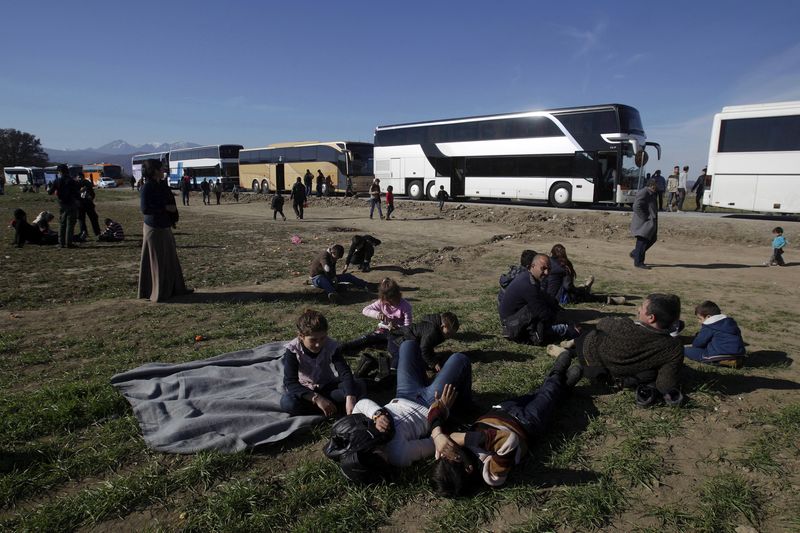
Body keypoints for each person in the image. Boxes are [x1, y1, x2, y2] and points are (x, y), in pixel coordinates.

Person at [432, 352, 581, 496]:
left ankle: (562, 388)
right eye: (452, 456)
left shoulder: (447, 449)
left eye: (443, 456)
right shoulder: (491, 474)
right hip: (525, 423)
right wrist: (465, 438)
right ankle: (557, 373)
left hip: (501, 410)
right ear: (468, 468)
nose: (447, 451)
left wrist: (440, 414)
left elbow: (433, 418)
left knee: (537, 395)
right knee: (548, 394)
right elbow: (509, 441)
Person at [575, 293, 684, 399]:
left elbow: (602, 323)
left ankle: (576, 355)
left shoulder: (625, 326)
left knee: (587, 336)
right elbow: (665, 385)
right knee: (651, 373)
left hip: (599, 360)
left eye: (642, 307)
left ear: (651, 318)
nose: (639, 309)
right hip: (627, 373)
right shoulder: (673, 347)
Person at [280, 309, 365, 417]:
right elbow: (290, 382)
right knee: (288, 403)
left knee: (357, 386)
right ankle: (330, 407)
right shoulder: (293, 350)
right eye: (313, 340)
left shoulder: (330, 345)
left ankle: (328, 407)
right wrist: (317, 399)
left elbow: (344, 372)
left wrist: (350, 397)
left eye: (322, 338)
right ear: (301, 336)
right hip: (305, 391)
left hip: (327, 386)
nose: (318, 344)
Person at [137, 159, 191, 302]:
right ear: (154, 171)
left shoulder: (161, 185)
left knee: (170, 259)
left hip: (164, 225)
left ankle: (175, 288)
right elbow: (145, 209)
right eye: (161, 168)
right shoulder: (147, 187)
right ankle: (157, 291)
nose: (163, 171)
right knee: (157, 261)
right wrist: (165, 208)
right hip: (154, 228)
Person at [498, 254, 576, 346]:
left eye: (548, 269)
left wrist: (557, 310)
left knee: (546, 306)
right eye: (543, 268)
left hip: (514, 319)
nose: (546, 272)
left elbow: (544, 298)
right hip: (512, 326)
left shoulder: (528, 277)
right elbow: (542, 313)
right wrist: (564, 324)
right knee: (562, 329)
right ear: (533, 266)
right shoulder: (528, 284)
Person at [387, 312, 459, 372]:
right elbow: (424, 348)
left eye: (452, 334)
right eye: (449, 333)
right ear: (443, 326)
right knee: (402, 358)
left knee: (420, 361)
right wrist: (433, 362)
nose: (450, 336)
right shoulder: (432, 331)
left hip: (408, 343)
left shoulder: (437, 330)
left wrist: (433, 358)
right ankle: (391, 369)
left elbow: (428, 345)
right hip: (397, 341)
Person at [684, 301, 746, 367]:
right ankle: (734, 360)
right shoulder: (730, 322)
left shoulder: (710, 325)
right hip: (739, 354)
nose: (699, 321)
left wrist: (695, 341)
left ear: (708, 317)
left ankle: (725, 361)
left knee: (686, 350)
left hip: (720, 355)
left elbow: (698, 343)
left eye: (700, 318)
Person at [48, 164, 81, 248]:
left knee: (62, 223)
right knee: (70, 224)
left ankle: (61, 242)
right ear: (67, 171)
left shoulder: (57, 180)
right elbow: (76, 193)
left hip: (62, 204)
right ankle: (69, 242)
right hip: (71, 203)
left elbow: (50, 192)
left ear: (59, 172)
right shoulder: (71, 181)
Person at [630, 178, 658, 269]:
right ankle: (638, 262)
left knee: (652, 238)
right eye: (656, 184)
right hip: (643, 223)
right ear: (652, 185)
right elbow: (636, 206)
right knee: (642, 241)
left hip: (649, 222)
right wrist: (645, 216)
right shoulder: (644, 192)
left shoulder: (651, 193)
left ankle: (635, 253)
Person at [77, 174, 101, 241]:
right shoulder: (76, 184)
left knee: (93, 218)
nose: (80, 179)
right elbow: (75, 194)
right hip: (80, 205)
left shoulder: (87, 183)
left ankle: (97, 232)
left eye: (80, 177)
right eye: (78, 178)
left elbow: (92, 193)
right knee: (82, 220)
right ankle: (84, 233)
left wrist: (91, 197)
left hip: (88, 204)